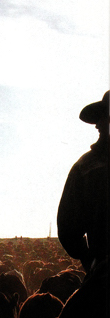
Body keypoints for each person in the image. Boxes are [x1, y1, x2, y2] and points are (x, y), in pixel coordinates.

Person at [57, 91, 109, 273]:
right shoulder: (85, 167)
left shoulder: (85, 167)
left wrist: (90, 260)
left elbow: (67, 228)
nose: (98, 125)